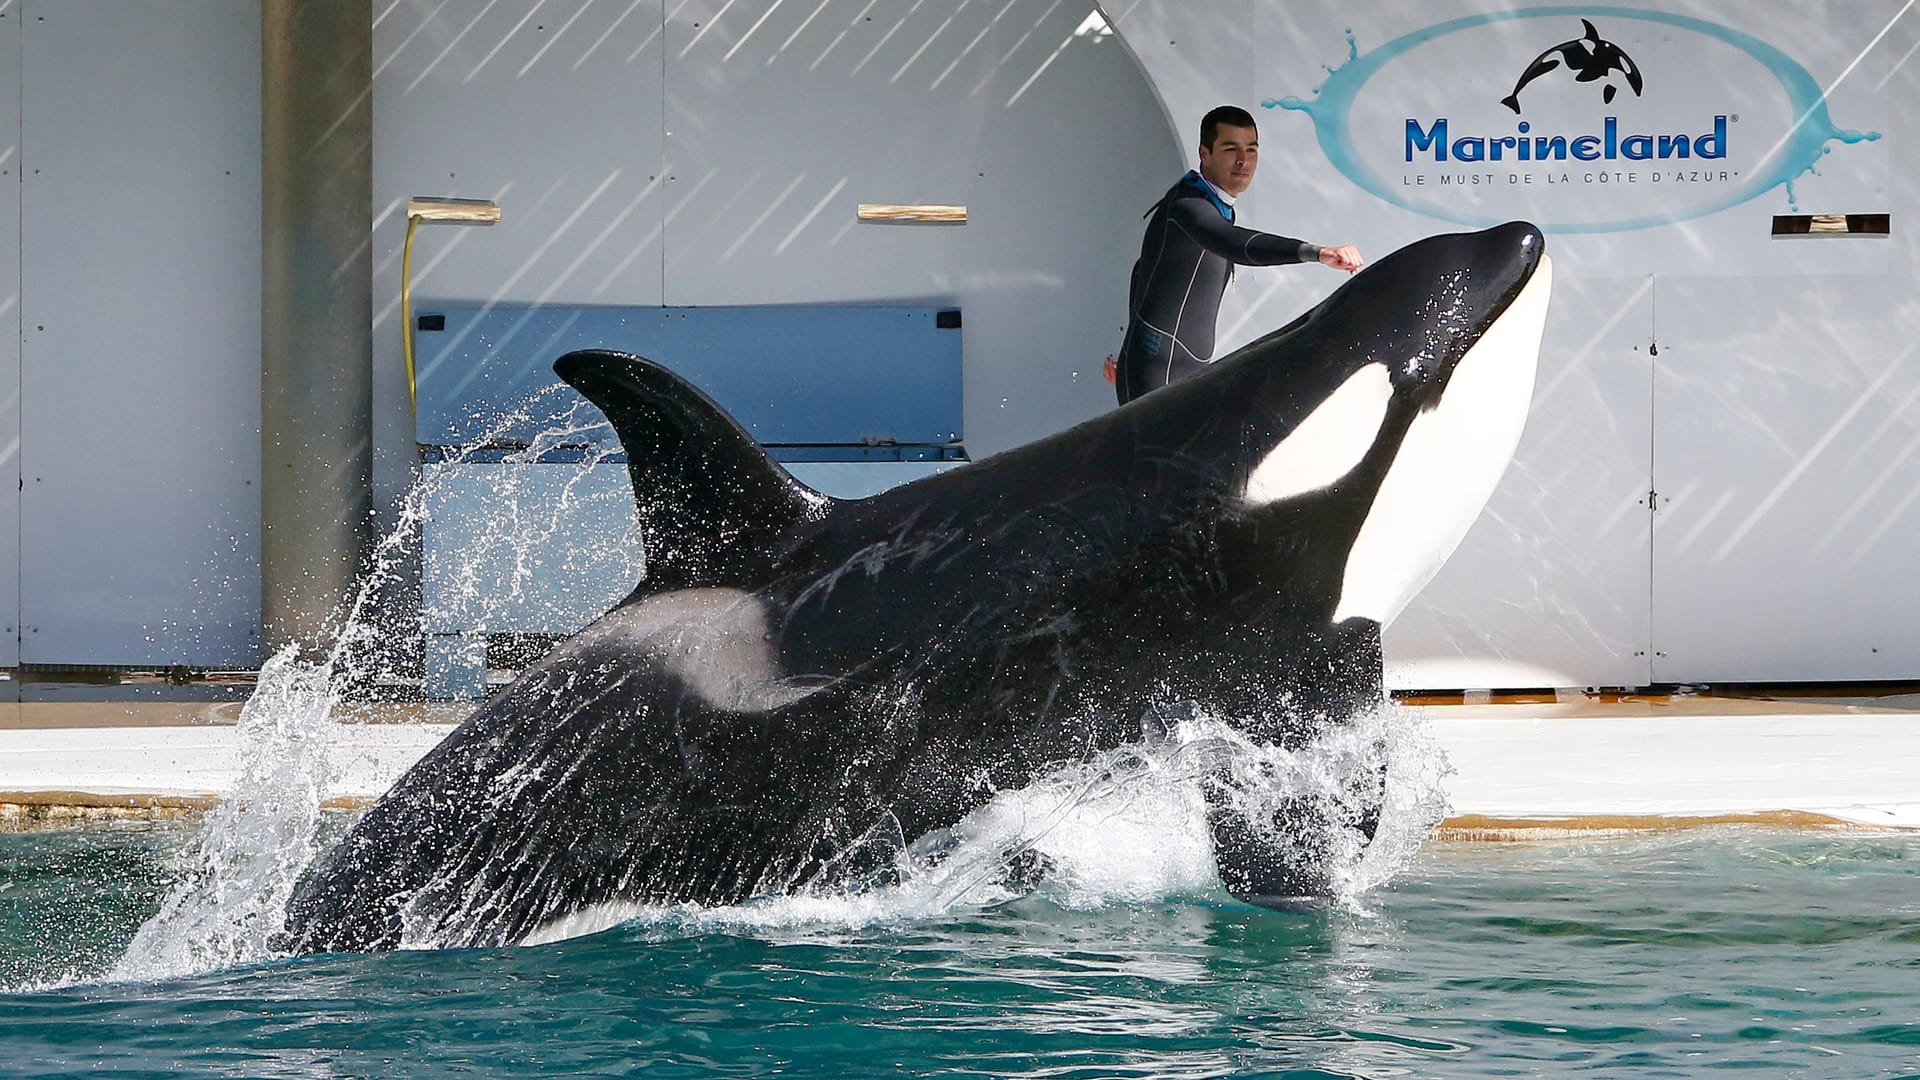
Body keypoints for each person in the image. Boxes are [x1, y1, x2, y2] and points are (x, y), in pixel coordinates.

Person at [1109, 105, 1364, 405]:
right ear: (1205, 153)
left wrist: (1130, 354)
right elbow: (1233, 244)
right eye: (1231, 149)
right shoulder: (1188, 206)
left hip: (1166, 371)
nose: (1243, 161)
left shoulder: (1211, 204)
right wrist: (1315, 252)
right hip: (1158, 376)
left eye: (1251, 149)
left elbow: (1143, 271)